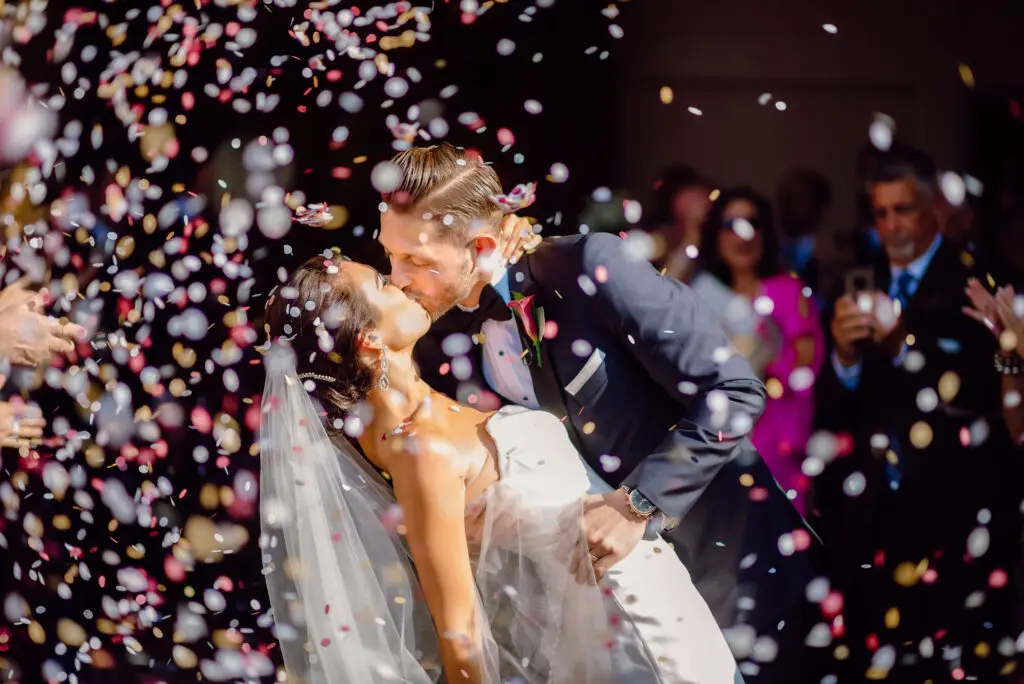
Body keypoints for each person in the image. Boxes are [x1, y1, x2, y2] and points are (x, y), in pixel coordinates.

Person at [379, 144, 820, 682]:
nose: (397, 278)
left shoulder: (590, 266)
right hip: (612, 615)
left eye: (417, 261)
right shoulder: (439, 335)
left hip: (731, 572)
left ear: (484, 246)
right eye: (391, 256)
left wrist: (638, 504)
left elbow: (733, 390)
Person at [259, 255, 742, 683]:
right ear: (368, 341)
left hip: (660, 599)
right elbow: (460, 634)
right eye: (385, 283)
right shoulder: (419, 450)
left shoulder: (421, 415)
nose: (402, 284)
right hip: (634, 631)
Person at [811, 146, 1019, 681]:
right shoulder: (856, 279)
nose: (890, 225)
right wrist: (845, 357)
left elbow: (979, 389)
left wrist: (900, 343)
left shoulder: (979, 277)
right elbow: (832, 405)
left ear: (935, 212)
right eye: (880, 213)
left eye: (902, 210)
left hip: (955, 503)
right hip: (874, 510)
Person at [691, 186, 824, 515]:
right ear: (715, 234)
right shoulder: (701, 297)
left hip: (774, 454)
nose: (743, 235)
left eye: (752, 222)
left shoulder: (788, 292)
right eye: (731, 224)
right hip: (712, 456)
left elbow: (807, 367)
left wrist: (764, 362)